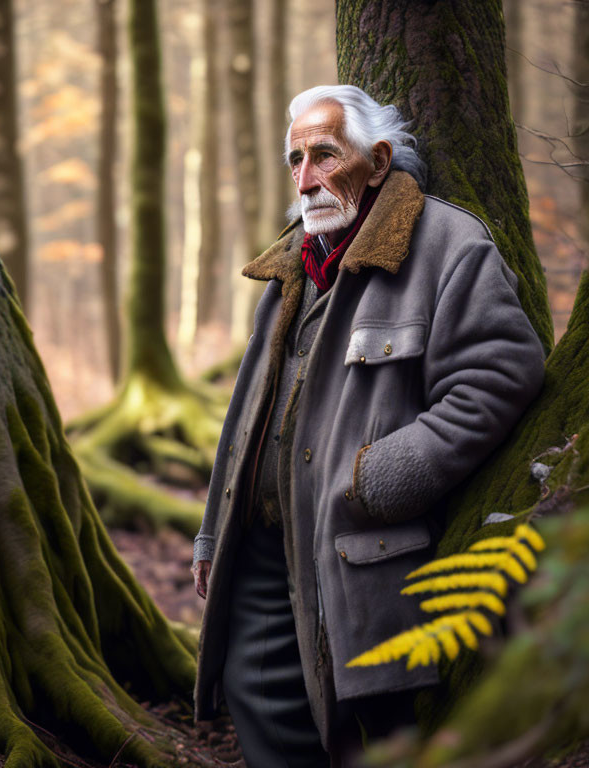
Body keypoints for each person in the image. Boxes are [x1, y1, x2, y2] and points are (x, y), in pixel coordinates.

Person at [190, 84, 546, 768]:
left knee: (357, 722)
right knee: (254, 697)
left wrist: (374, 478)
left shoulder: (447, 246)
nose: (305, 178)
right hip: (260, 547)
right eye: (294, 159)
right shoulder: (293, 259)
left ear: (378, 162)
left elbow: (501, 372)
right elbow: (247, 412)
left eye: (324, 155)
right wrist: (211, 530)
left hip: (356, 547)